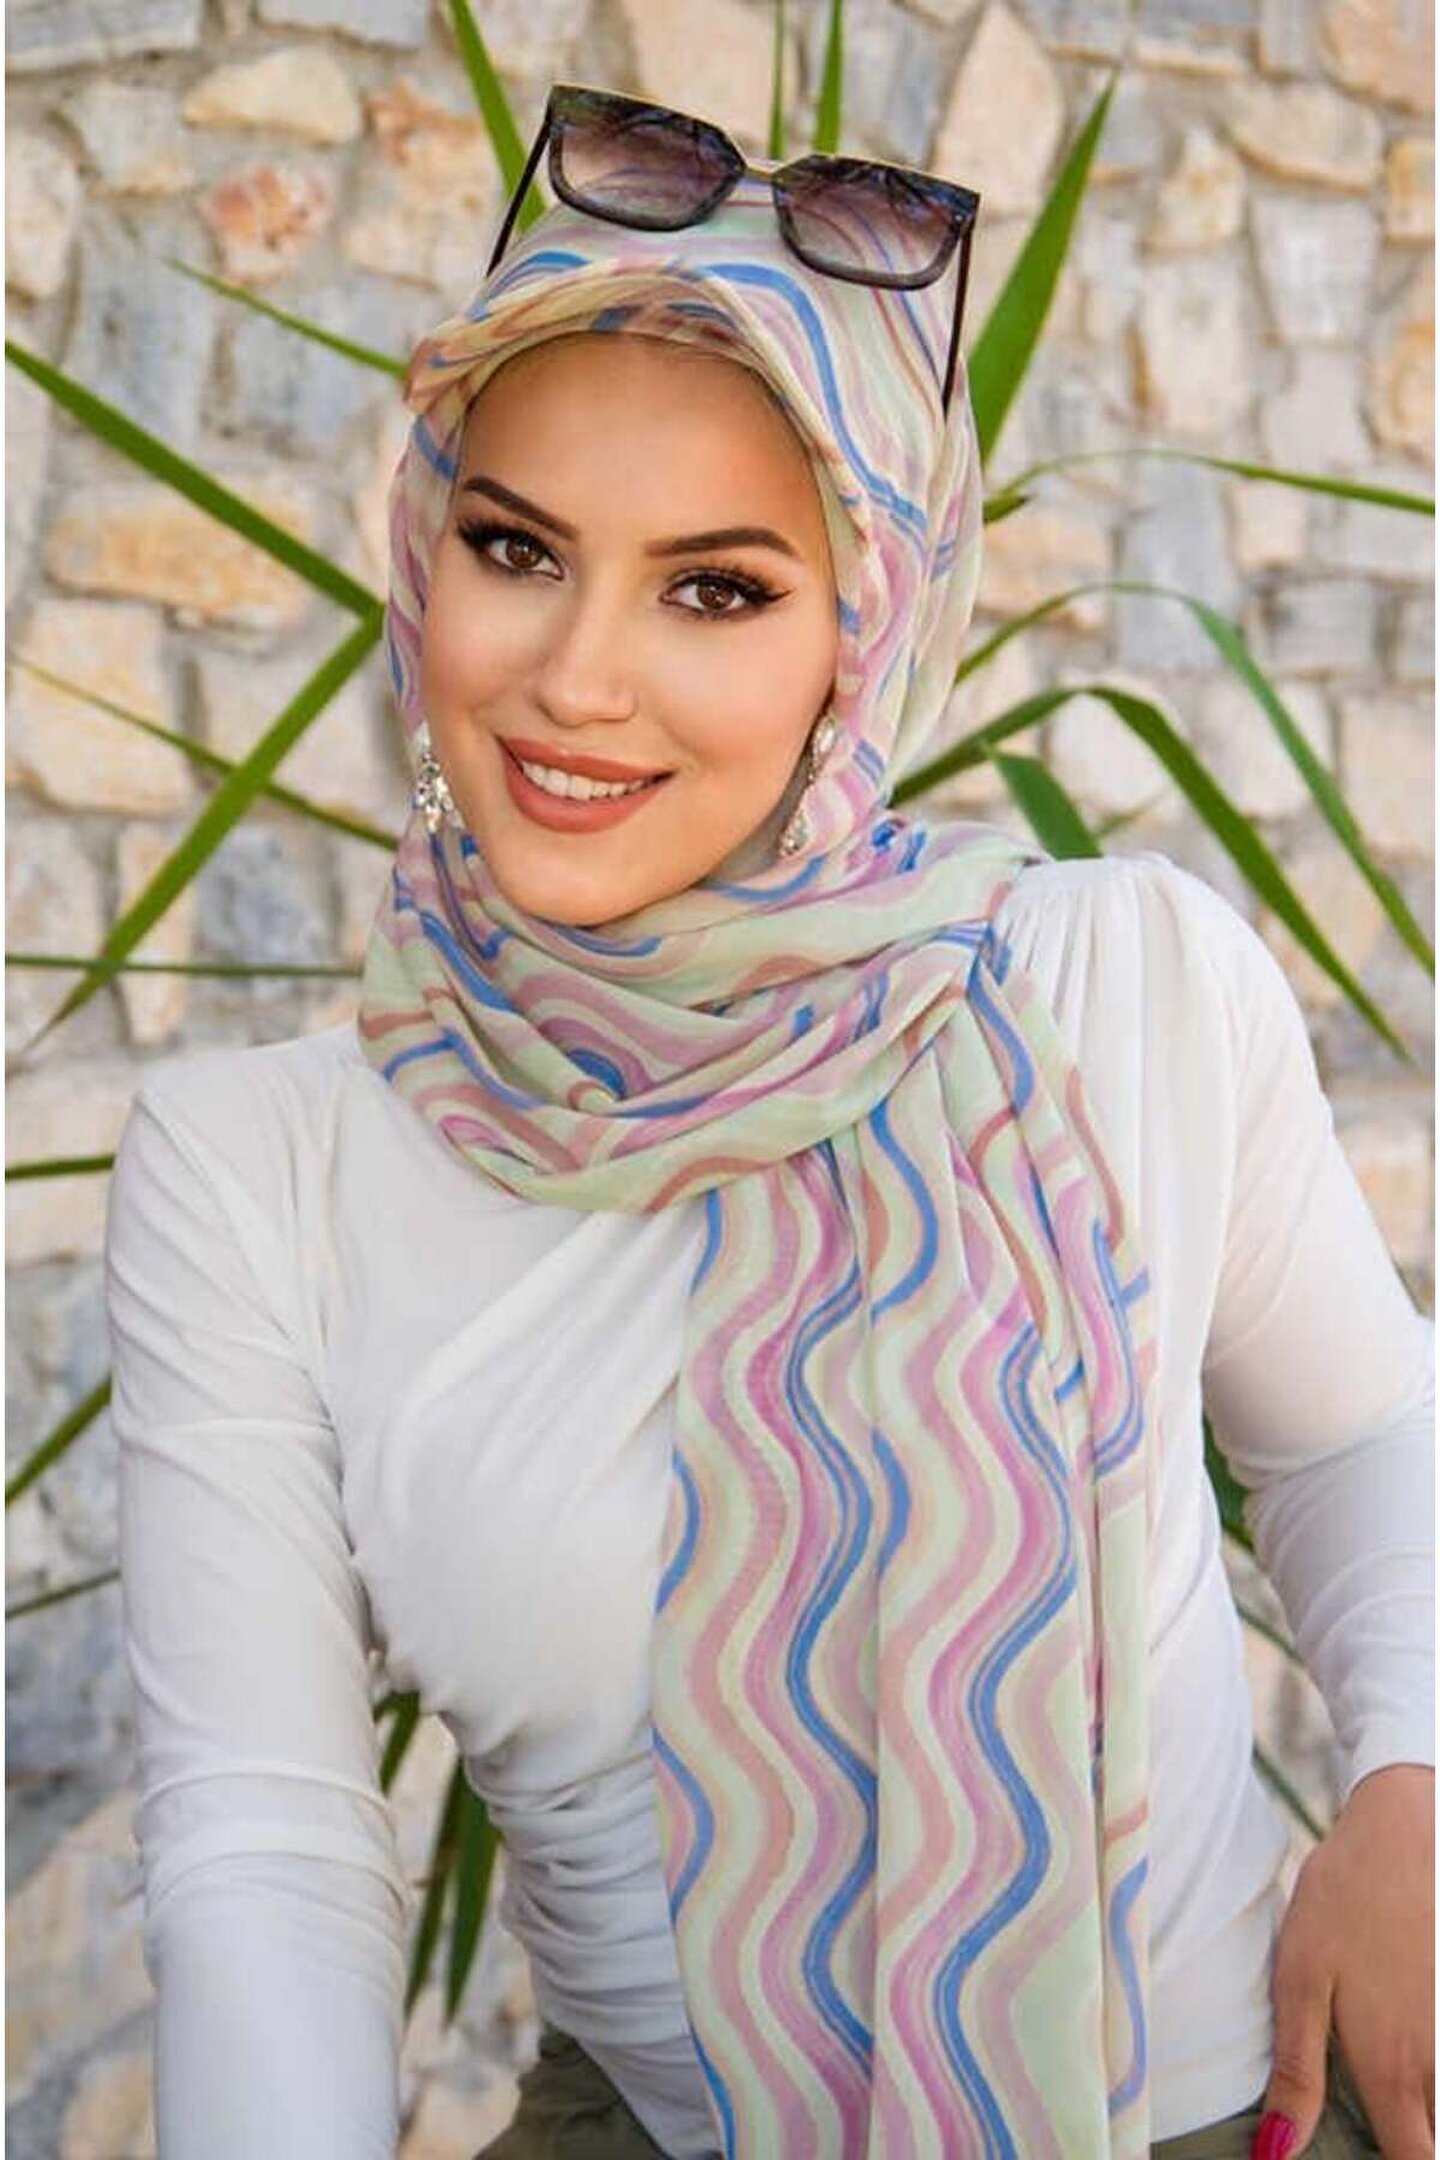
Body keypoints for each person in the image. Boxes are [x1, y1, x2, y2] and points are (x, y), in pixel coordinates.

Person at [104, 84, 1433, 2160]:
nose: (576, 679)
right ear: (423, 557)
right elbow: (269, 1852)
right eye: (514, 549)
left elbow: (1359, 1435)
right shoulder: (253, 1167)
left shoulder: (1122, 984)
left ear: (861, 637)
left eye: (714, 590)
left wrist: (1417, 1782)